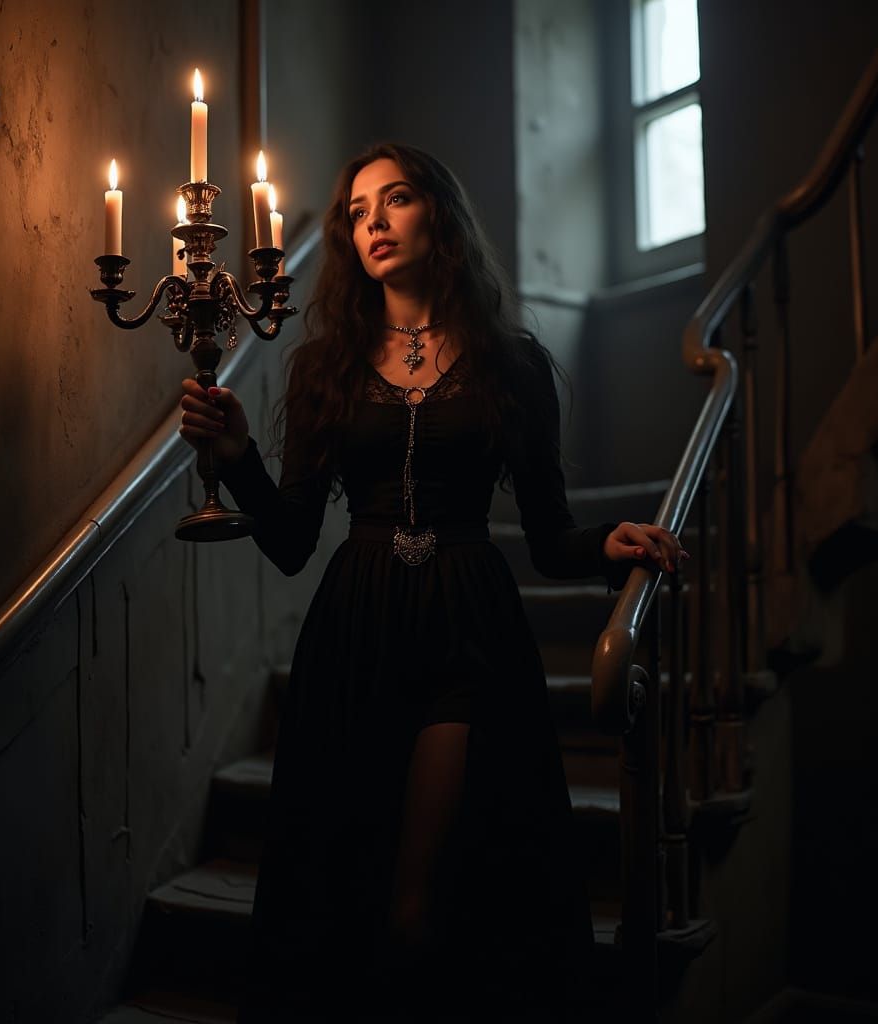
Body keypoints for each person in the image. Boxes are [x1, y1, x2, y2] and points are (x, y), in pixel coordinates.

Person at [179, 142, 688, 1021]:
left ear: (438, 216)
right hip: (355, 632)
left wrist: (611, 541)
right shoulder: (327, 367)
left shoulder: (513, 366)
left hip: (466, 626)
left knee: (421, 907)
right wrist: (238, 457)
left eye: (397, 199)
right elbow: (295, 538)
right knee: (350, 892)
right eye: (357, 211)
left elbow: (548, 533)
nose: (373, 221)